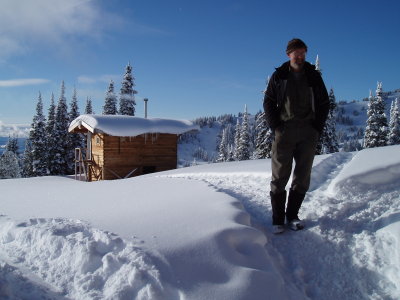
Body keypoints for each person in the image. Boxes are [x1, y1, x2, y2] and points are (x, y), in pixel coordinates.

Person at [263, 38, 329, 234]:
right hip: (285, 132)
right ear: (288, 54)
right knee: (280, 175)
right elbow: (268, 101)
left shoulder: (313, 76)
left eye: (303, 53)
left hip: (308, 133)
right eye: (296, 53)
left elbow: (324, 102)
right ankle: (277, 219)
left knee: (302, 176)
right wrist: (276, 126)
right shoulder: (280, 75)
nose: (300, 56)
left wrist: (317, 127)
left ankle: (292, 216)